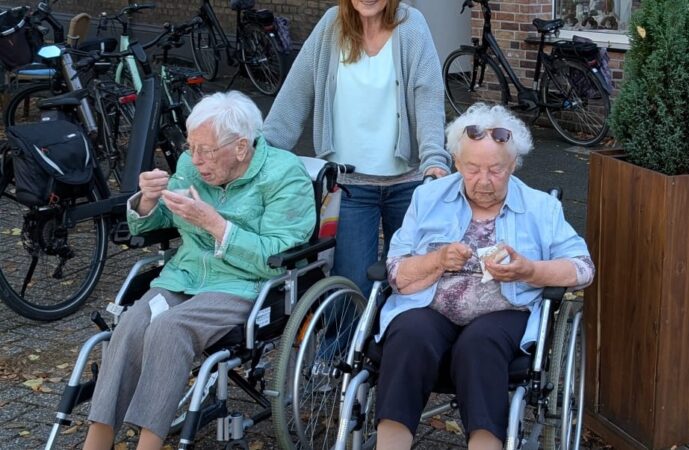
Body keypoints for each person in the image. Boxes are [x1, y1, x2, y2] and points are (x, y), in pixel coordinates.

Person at [82, 91, 316, 450]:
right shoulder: (191, 167)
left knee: (169, 328)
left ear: (241, 147)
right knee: (130, 323)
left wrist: (218, 226)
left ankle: (149, 442)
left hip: (244, 285)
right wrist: (147, 199)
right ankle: (97, 441)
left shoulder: (285, 175)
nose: (195, 159)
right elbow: (154, 223)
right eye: (191, 147)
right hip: (184, 277)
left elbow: (279, 252)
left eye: (206, 150)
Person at [374, 103, 595, 450]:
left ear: (513, 166)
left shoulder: (541, 208)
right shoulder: (428, 197)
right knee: (408, 335)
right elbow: (396, 272)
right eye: (473, 169)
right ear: (457, 164)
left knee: (479, 345)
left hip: (503, 311)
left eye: (496, 170)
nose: (484, 181)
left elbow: (583, 268)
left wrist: (531, 270)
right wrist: (437, 259)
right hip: (430, 304)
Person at [263, 0, 450, 297]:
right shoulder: (331, 26)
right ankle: (344, 345)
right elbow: (296, 92)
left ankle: (389, 343)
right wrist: (264, 149)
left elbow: (427, 95)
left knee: (408, 285)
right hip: (348, 186)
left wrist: (434, 158)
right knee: (350, 288)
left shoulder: (412, 26)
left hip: (409, 184)